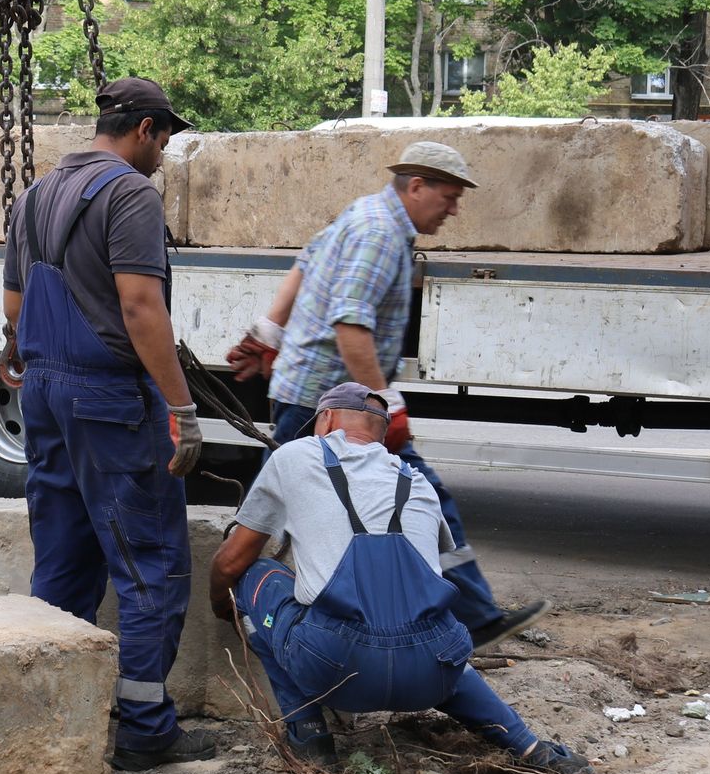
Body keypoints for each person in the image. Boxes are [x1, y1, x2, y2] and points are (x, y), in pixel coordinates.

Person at [226, 141, 547, 651]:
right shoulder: (378, 232)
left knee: (288, 510)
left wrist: (268, 330)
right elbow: (351, 324)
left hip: (313, 396)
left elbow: (306, 264)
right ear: (416, 186)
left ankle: (469, 613)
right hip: (328, 404)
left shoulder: (367, 213)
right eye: (449, 196)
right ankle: (471, 616)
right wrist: (385, 403)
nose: (455, 208)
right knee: (419, 499)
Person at [209, 382, 593, 774]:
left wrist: (223, 604)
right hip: (429, 676)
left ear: (324, 420)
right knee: (435, 639)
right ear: (381, 432)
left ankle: (309, 738)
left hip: (336, 667)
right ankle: (531, 748)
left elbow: (232, 560)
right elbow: (425, 570)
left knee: (251, 574)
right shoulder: (416, 479)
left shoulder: (295, 456)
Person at [2, 75, 215, 772]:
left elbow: (12, 305)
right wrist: (182, 408)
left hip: (43, 390)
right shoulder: (130, 194)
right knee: (149, 556)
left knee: (63, 558)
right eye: (165, 138)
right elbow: (141, 309)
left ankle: (51, 716)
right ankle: (145, 726)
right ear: (145, 128)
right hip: (109, 399)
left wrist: (28, 357)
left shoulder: (33, 196)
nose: (163, 153)